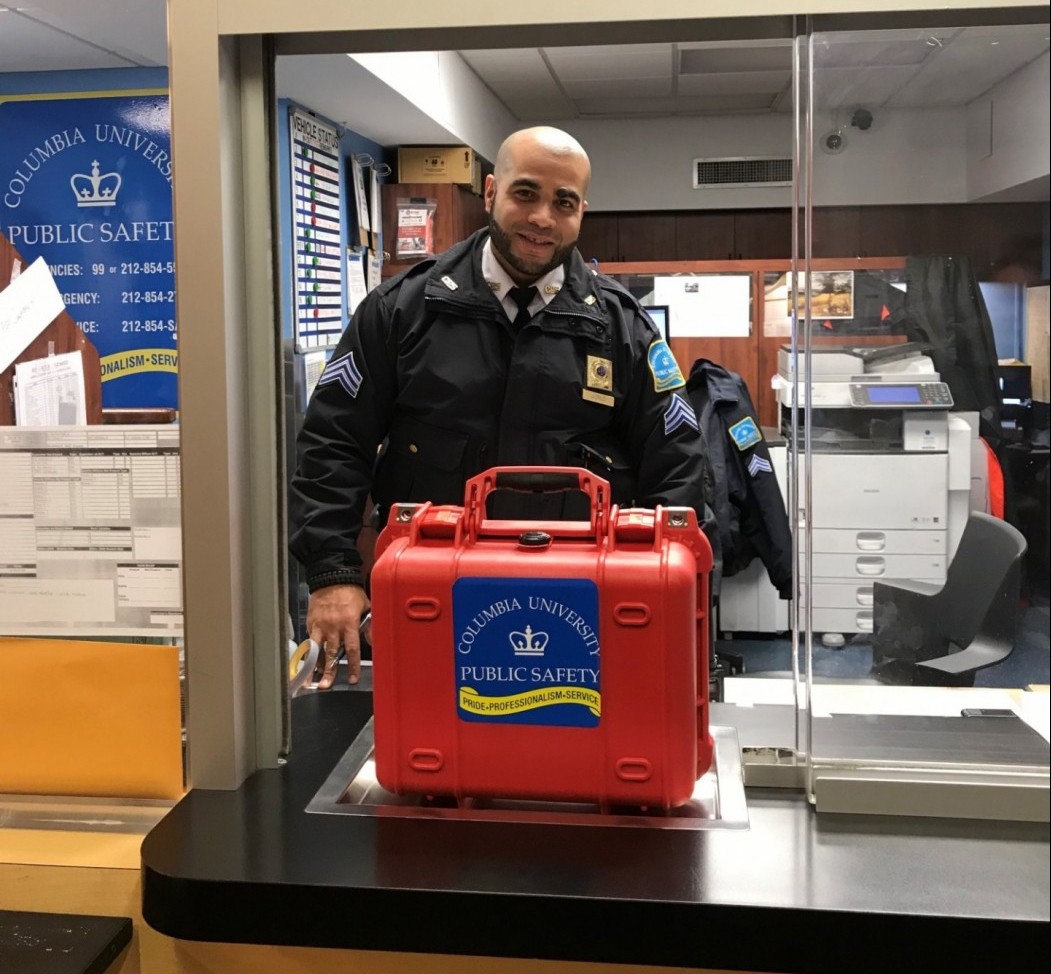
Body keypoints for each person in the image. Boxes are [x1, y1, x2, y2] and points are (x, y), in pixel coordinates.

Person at [289, 126, 706, 688]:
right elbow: (334, 441)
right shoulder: (402, 311)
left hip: (579, 601)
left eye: (563, 203)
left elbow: (676, 464)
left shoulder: (621, 328)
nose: (541, 218)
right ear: (490, 193)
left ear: (581, 212)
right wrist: (332, 571)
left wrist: (668, 587)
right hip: (430, 594)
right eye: (525, 193)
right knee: (429, 755)